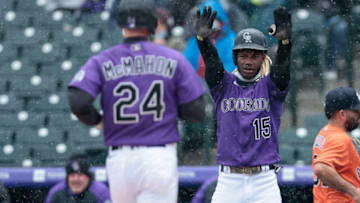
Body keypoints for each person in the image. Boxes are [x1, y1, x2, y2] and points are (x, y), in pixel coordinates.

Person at [67, 0, 207, 202]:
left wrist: (98, 121)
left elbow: (78, 101)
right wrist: (168, 112)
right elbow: (196, 111)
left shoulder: (104, 59)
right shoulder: (173, 58)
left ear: (122, 24)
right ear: (152, 24)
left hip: (120, 159)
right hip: (158, 155)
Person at [195, 5, 292, 203]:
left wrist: (284, 44)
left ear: (263, 58)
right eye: (244, 55)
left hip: (264, 180)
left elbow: (281, 70)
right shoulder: (224, 85)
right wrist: (204, 42)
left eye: (254, 55)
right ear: (235, 57)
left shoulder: (271, 87)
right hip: (229, 180)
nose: (248, 61)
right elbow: (213, 65)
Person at [312, 87, 360, 203]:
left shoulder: (324, 132)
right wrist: (353, 192)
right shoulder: (340, 139)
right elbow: (321, 168)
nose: (358, 116)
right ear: (342, 114)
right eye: (356, 111)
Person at [45, 153, 111, 203]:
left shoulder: (101, 192)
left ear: (88, 177)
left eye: (80, 175)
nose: (76, 179)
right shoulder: (56, 191)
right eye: (72, 175)